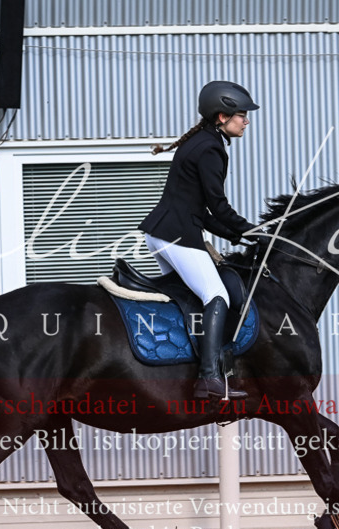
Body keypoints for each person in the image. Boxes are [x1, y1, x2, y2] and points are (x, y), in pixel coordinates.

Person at [139, 81, 259, 400]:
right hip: (175, 235)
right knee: (216, 294)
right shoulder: (210, 149)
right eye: (241, 115)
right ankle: (209, 378)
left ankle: (179, 365)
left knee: (191, 299)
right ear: (222, 116)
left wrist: (241, 233)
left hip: (163, 233)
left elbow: (204, 212)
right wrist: (252, 232)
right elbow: (217, 207)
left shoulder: (202, 142)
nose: (246, 121)